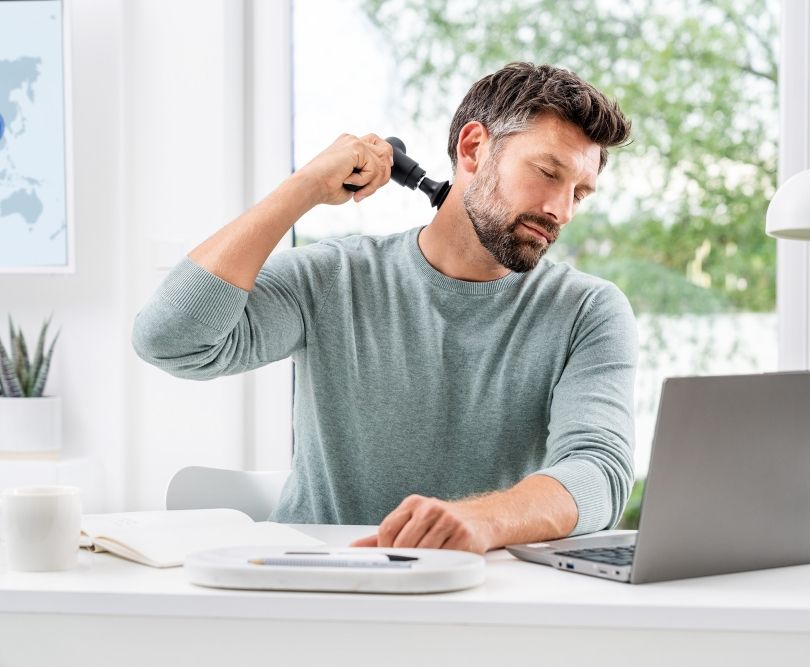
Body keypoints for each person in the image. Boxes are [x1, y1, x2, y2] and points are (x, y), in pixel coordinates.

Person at [132, 62, 636, 555]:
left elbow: (600, 472)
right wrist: (306, 187)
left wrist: (482, 520)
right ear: (473, 149)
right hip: (315, 584)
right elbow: (169, 341)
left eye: (580, 193)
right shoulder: (333, 276)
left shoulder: (587, 311)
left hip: (476, 588)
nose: (561, 211)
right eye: (548, 173)